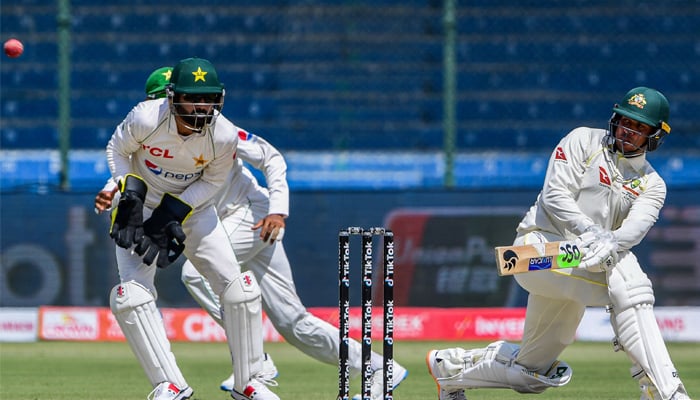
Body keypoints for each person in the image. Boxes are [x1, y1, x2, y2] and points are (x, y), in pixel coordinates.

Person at [98, 66, 409, 400]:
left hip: (248, 214)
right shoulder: (150, 128)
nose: (193, 110)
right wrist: (114, 190)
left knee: (196, 274)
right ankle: (379, 366)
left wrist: (278, 208)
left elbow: (272, 158)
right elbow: (136, 168)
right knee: (295, 323)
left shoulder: (221, 132)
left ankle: (255, 362)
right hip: (226, 218)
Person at [426, 87, 691, 400]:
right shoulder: (583, 140)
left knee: (532, 373)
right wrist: (590, 230)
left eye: (640, 128)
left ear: (655, 137)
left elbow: (635, 229)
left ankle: (450, 370)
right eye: (624, 122)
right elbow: (554, 195)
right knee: (629, 278)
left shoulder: (652, 184)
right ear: (615, 119)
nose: (627, 132)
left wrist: (611, 240)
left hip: (584, 266)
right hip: (538, 251)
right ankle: (667, 392)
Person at [104, 57, 279, 400]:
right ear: (172, 97)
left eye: (209, 98)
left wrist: (173, 212)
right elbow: (117, 149)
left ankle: (249, 382)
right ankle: (169, 384)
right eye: (192, 98)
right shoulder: (145, 117)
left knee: (239, 288)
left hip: (194, 209)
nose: (202, 106)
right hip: (139, 206)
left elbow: (213, 181)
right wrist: (129, 192)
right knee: (131, 297)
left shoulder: (224, 134)